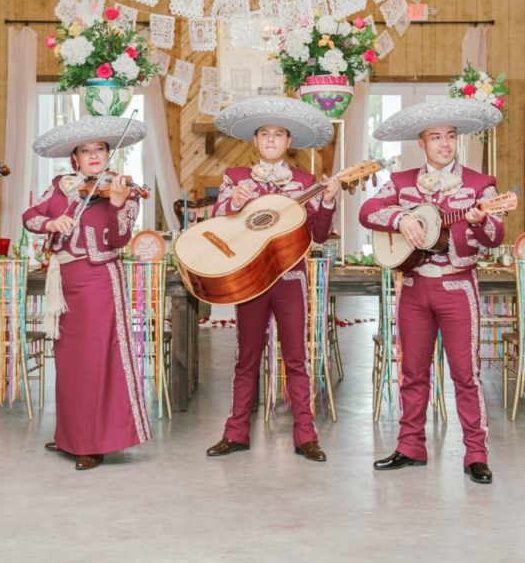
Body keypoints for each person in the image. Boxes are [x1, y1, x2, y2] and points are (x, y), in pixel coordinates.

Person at [360, 98, 505, 485]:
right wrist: (401, 217)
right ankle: (410, 447)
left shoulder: (480, 184)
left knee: (466, 374)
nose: (445, 144)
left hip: (458, 287)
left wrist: (478, 221)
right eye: (436, 137)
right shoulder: (403, 181)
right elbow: (368, 210)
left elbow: (496, 236)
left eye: (451, 136)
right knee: (412, 372)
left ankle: (475, 453)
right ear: (421, 144)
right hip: (413, 287)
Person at [204, 97, 342, 463]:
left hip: (290, 276)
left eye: (277, 134)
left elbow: (321, 234)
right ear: (254, 141)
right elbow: (217, 221)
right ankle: (235, 433)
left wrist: (327, 202)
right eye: (264, 133)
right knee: (246, 357)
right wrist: (234, 203)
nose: (270, 139)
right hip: (250, 278)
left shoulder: (305, 181)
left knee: (296, 357)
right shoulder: (235, 177)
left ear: (288, 142)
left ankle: (305, 435)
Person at [24, 116, 152, 471]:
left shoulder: (122, 190)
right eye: (86, 150)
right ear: (75, 159)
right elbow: (30, 217)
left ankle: (95, 442)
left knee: (97, 362)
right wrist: (51, 222)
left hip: (99, 282)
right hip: (64, 283)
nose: (94, 155)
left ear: (110, 155)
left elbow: (120, 238)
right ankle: (70, 435)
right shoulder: (60, 187)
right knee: (70, 362)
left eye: (100, 149)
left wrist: (116, 204)